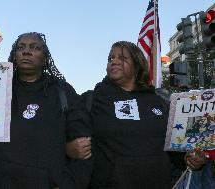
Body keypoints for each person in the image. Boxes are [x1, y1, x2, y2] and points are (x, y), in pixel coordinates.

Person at [0, 32, 91, 189]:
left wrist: (67, 184)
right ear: (14, 55)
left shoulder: (63, 91)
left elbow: (83, 146)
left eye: (35, 47)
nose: (26, 51)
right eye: (20, 47)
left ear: (45, 59)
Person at [71, 41, 205, 189]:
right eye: (110, 59)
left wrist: (189, 159)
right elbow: (65, 137)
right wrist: (69, 149)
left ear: (137, 65)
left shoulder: (160, 102)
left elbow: (174, 150)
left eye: (122, 58)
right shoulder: (92, 99)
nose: (114, 61)